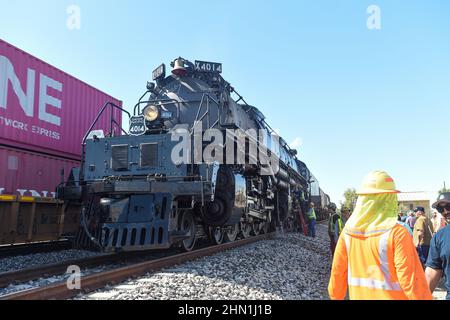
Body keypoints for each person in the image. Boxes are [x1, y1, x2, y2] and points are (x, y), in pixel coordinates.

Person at [328, 170, 432, 300]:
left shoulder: (348, 233)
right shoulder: (397, 233)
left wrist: (335, 296)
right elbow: (412, 283)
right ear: (390, 199)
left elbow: (337, 273)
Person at [425, 192, 450, 300]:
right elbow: (432, 272)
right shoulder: (439, 236)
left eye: (448, 206)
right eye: (440, 209)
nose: (445, 211)